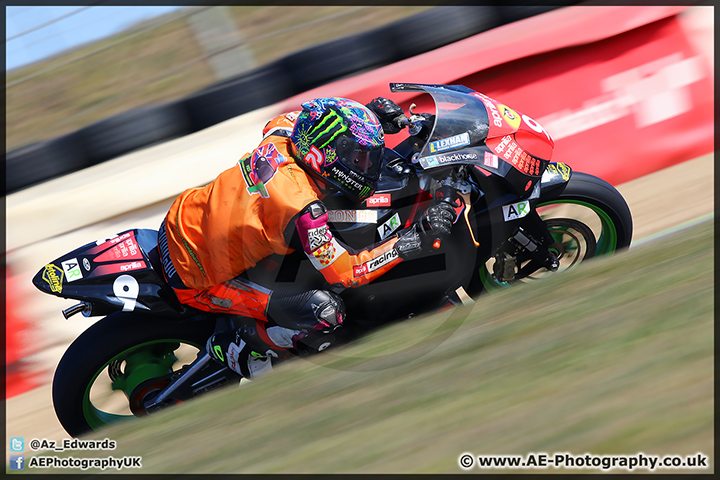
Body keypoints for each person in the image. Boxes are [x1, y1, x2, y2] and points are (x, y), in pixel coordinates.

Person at [157, 96, 457, 379]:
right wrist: (409, 242)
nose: (367, 166)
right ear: (323, 156)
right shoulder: (302, 207)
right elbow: (345, 272)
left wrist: (369, 119)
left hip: (184, 216)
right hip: (197, 278)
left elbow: (302, 119)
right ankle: (243, 346)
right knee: (323, 312)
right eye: (359, 159)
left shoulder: (282, 136)